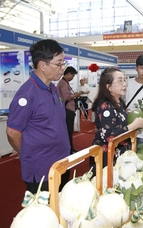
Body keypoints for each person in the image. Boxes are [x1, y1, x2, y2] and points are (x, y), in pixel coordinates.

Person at [6, 39, 70, 193]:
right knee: (44, 213)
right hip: (43, 170)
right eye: (59, 64)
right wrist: (26, 152)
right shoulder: (27, 95)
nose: (63, 68)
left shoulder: (52, 88)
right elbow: (12, 132)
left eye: (63, 63)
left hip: (60, 162)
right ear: (43, 65)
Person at [91, 67, 143, 168]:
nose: (124, 84)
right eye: (120, 81)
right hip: (107, 157)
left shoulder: (119, 103)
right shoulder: (106, 106)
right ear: (109, 87)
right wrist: (133, 126)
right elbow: (108, 136)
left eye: (124, 80)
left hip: (118, 153)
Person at [57, 66, 81, 154]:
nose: (72, 78)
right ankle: (69, 149)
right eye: (72, 76)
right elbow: (66, 97)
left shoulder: (65, 82)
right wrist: (75, 95)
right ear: (68, 74)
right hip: (67, 110)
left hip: (68, 109)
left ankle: (70, 148)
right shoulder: (63, 83)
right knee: (68, 131)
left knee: (69, 131)